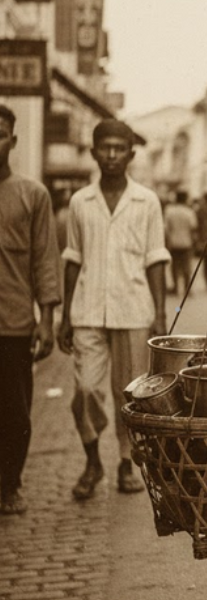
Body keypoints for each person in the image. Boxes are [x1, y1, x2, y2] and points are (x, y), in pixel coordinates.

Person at [57, 118, 170, 500]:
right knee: (86, 390)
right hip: (87, 309)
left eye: (119, 149)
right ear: (93, 153)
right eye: (104, 148)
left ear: (131, 155)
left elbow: (157, 258)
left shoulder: (147, 201)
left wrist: (160, 314)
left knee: (131, 394)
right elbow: (72, 257)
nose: (111, 155)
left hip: (134, 310)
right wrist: (64, 315)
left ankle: (126, 462)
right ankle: (92, 460)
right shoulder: (79, 202)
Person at [0, 104, 61, 515]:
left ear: (13, 141)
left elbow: (44, 258)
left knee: (14, 413)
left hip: (14, 323)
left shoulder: (32, 194)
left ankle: (8, 485)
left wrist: (48, 320)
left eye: (0, 133)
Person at [164, 190, 197, 296]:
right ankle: (187, 288)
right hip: (186, 242)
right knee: (186, 266)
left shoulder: (169, 211)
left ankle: (175, 287)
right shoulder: (189, 212)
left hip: (173, 242)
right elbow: (193, 227)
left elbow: (166, 228)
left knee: (174, 266)